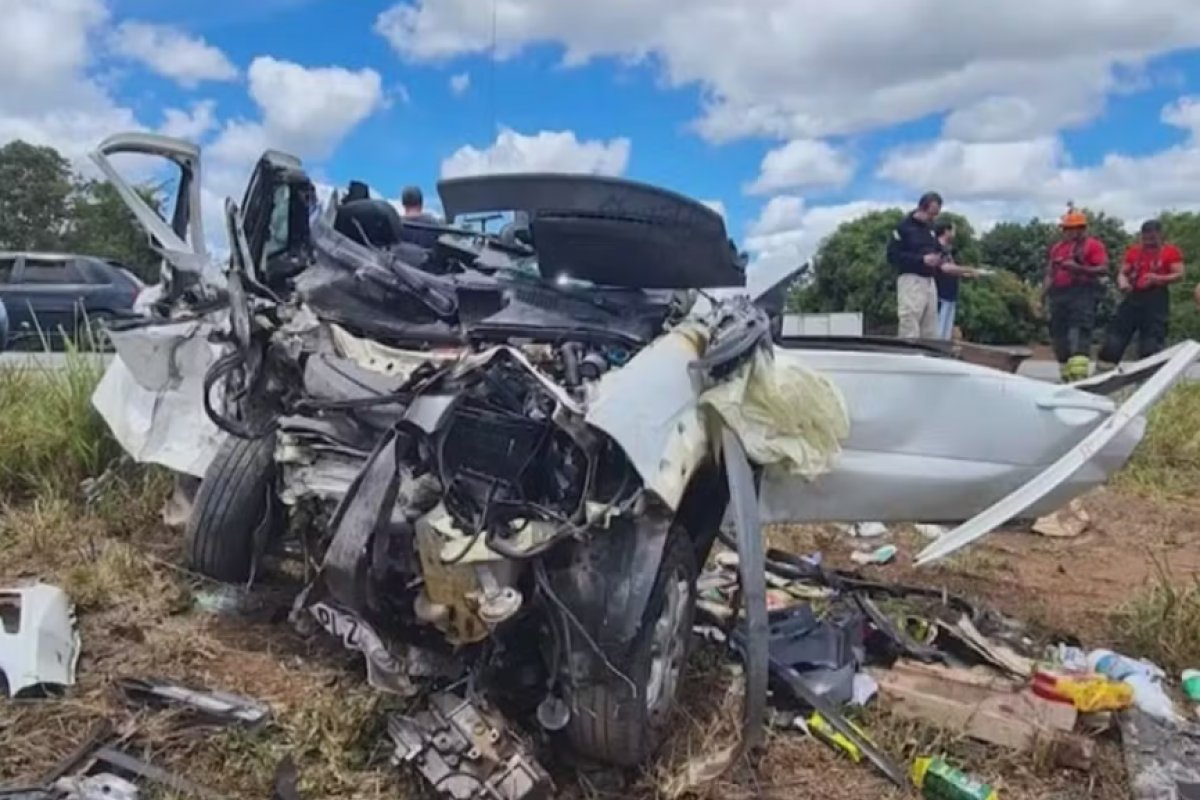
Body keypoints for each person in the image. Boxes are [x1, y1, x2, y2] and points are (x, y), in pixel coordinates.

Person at [1098, 220, 1185, 368]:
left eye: (1152, 238)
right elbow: (1123, 272)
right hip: (1134, 295)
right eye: (1145, 238)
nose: (1148, 242)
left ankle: (1146, 376)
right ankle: (1103, 370)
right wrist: (1123, 282)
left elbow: (1179, 274)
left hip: (1156, 298)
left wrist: (1157, 278)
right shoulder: (1134, 251)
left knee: (1151, 340)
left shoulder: (1170, 251)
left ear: (1160, 235)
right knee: (1116, 335)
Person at [1044, 207, 1109, 382]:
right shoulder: (1058, 248)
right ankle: (1066, 375)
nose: (1065, 232)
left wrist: (1078, 268)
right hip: (1059, 294)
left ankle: (1079, 377)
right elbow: (1050, 273)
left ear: (1081, 229)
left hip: (1082, 292)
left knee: (1079, 332)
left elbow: (1103, 269)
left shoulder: (1093, 246)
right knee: (1059, 335)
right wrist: (1041, 296)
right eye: (1064, 228)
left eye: (1069, 228)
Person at [887, 191, 944, 339]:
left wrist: (939, 257)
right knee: (910, 323)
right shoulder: (903, 228)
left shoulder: (930, 228)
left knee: (930, 328)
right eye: (931, 214)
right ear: (921, 208)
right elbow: (893, 256)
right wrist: (921, 259)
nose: (933, 218)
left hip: (930, 280)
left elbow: (937, 247)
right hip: (911, 280)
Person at [931, 218, 980, 340]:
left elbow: (953, 268)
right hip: (941, 293)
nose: (954, 233)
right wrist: (968, 269)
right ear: (946, 231)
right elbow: (945, 268)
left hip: (950, 294)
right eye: (952, 229)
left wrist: (965, 274)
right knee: (939, 329)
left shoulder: (948, 249)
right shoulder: (936, 246)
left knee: (946, 330)